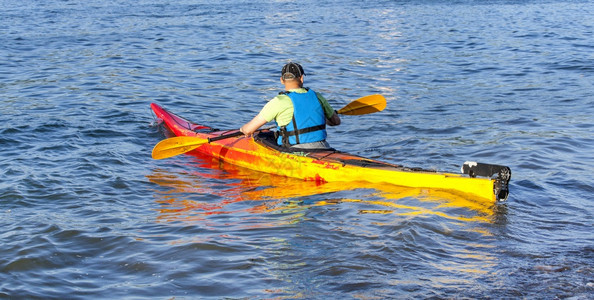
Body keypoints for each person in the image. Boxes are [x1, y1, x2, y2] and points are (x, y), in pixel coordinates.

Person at [240, 62, 341, 149]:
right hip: (323, 147)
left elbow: (249, 129)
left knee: (263, 137)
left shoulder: (278, 101)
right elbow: (336, 122)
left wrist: (242, 129)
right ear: (301, 78)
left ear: (282, 80)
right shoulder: (317, 96)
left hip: (293, 150)